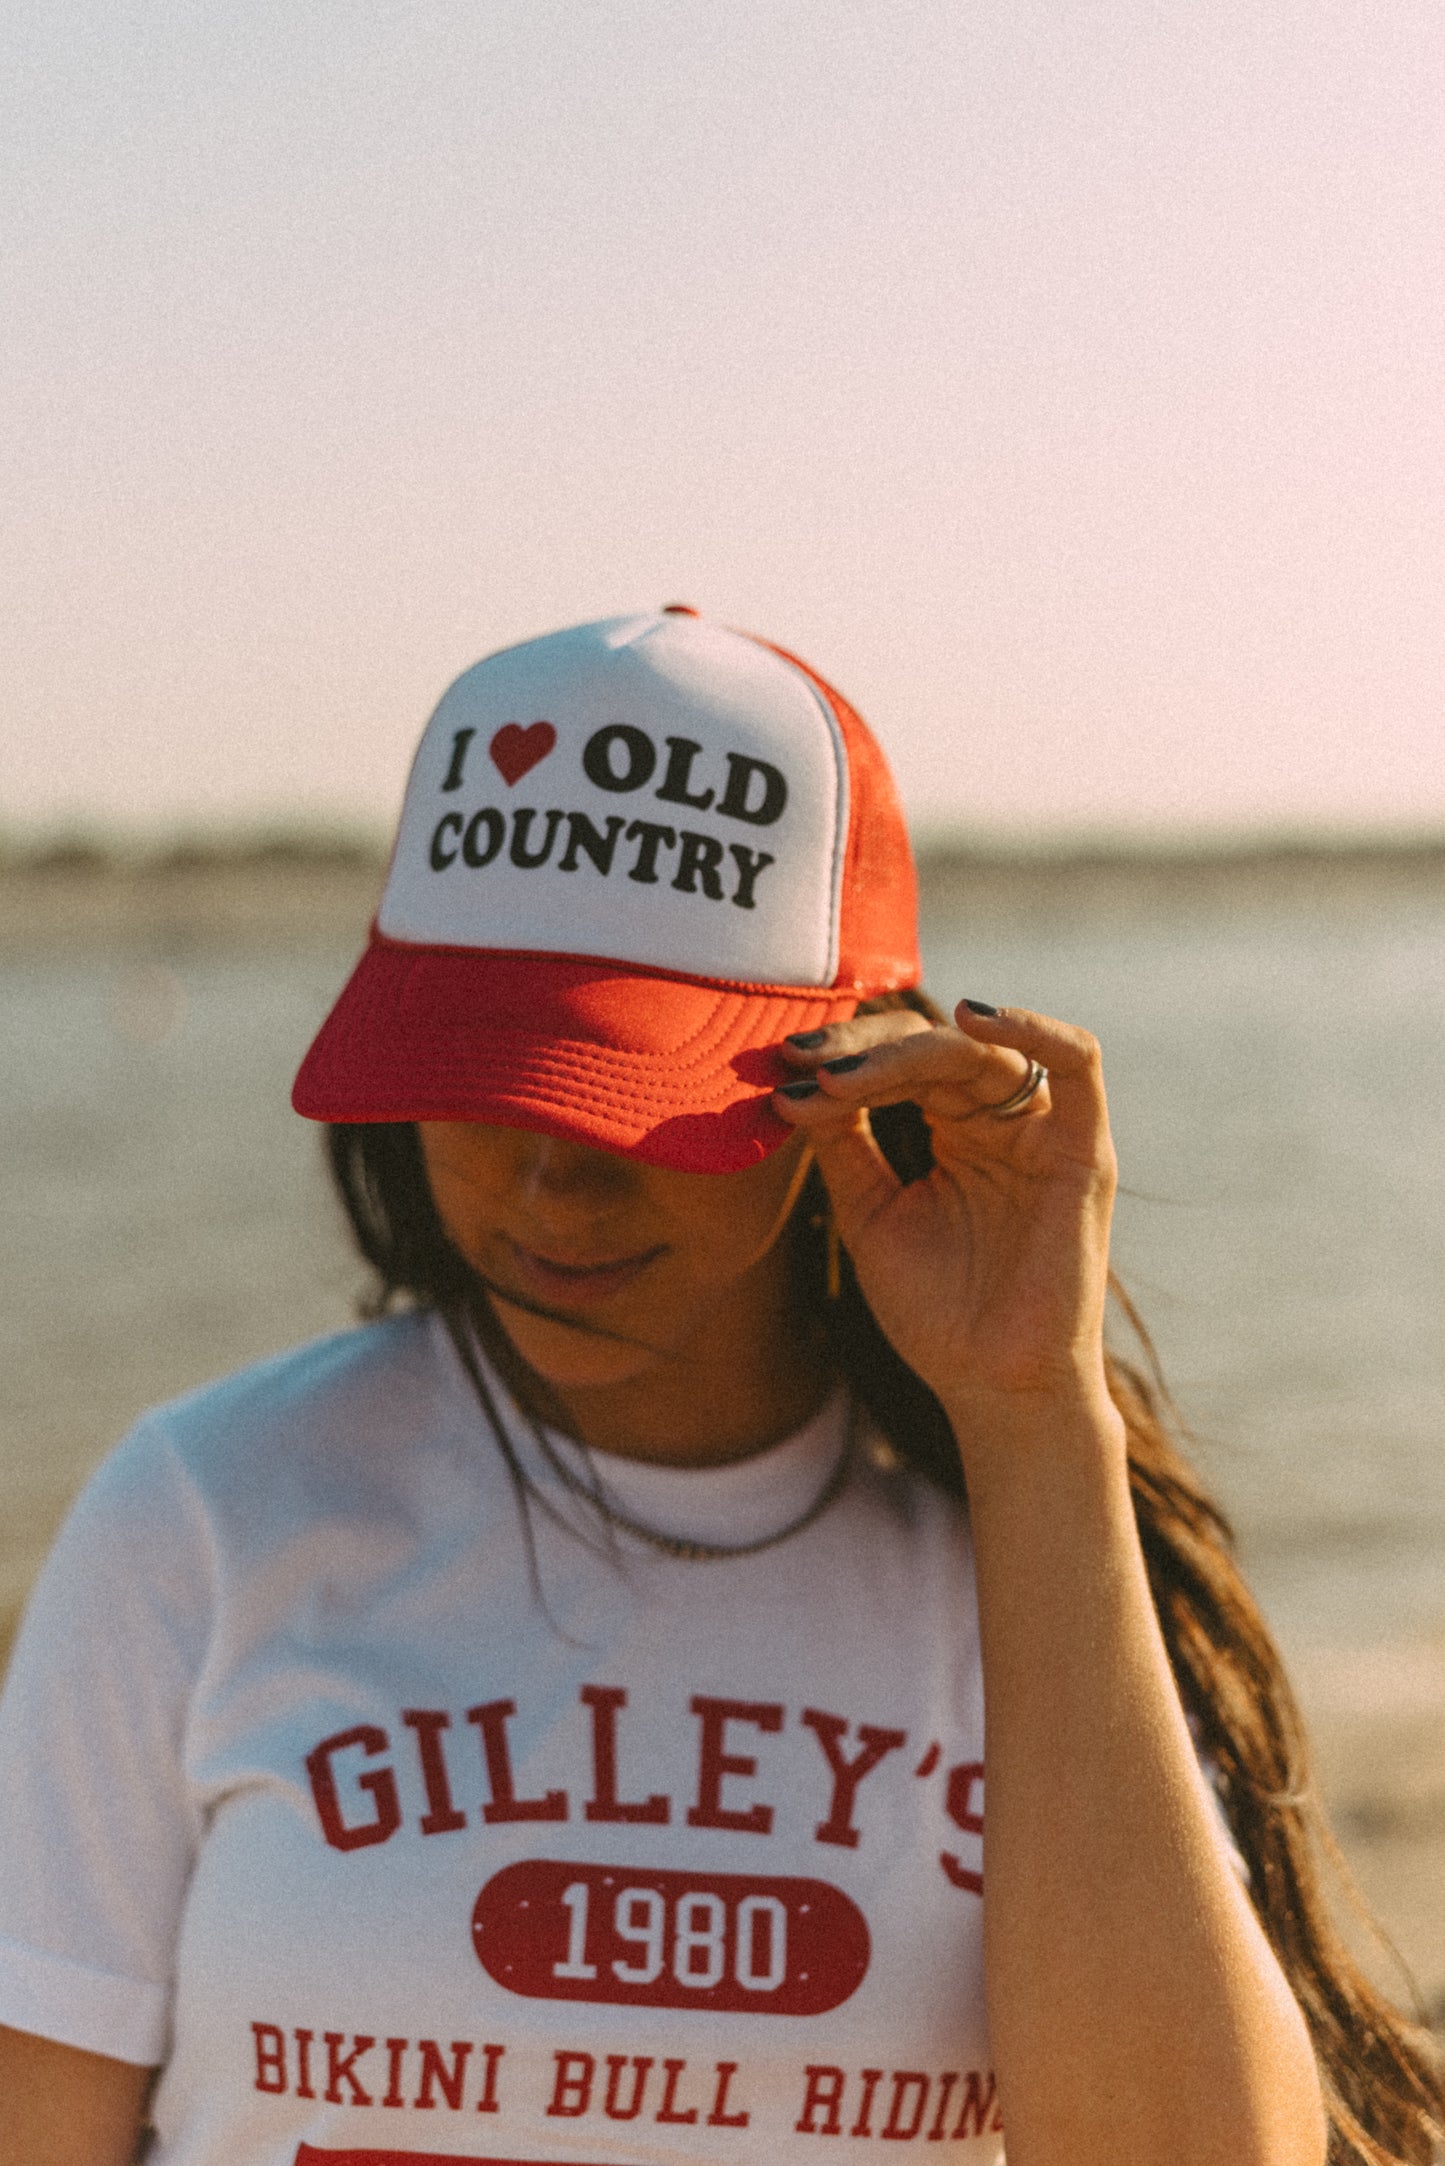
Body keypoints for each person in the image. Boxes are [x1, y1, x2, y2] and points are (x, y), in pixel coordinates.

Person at [0, 609, 1437, 2166]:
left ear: (853, 1077)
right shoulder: (205, 1513)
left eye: (634, 1097)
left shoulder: (1028, 1564)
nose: (552, 1178)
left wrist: (1032, 1408)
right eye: (482, 1077)